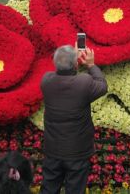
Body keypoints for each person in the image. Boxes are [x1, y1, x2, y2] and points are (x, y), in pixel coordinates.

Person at [40, 45, 108, 194]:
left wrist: (68, 57)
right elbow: (102, 86)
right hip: (77, 152)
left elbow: (60, 68)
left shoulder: (46, 81)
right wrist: (90, 64)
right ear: (76, 64)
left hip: (53, 150)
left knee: (48, 189)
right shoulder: (83, 82)